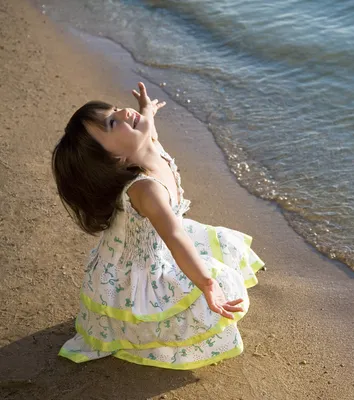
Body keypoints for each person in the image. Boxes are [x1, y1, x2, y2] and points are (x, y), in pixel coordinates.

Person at [52, 82, 264, 369]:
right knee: (210, 284)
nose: (125, 113)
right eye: (113, 122)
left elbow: (146, 126)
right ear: (114, 159)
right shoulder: (145, 190)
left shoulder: (147, 142)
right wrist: (207, 284)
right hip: (141, 265)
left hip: (158, 242)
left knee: (222, 244)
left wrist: (146, 109)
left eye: (115, 110)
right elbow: (175, 237)